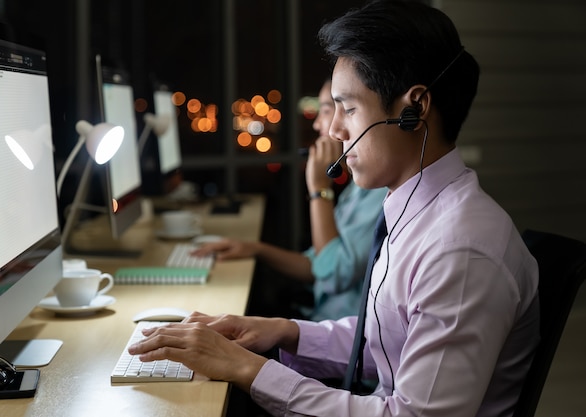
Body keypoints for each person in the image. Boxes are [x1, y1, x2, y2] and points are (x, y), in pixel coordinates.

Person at [128, 1, 540, 416]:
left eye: (350, 108)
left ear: (413, 111)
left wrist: (247, 369)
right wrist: (281, 332)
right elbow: (388, 341)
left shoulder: (460, 250)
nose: (334, 130)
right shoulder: (417, 209)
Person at [193, 79, 388, 321]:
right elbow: (317, 264)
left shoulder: (379, 192)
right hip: (319, 320)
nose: (318, 124)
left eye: (327, 110)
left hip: (335, 337)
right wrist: (255, 248)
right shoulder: (357, 190)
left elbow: (332, 273)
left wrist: (318, 190)